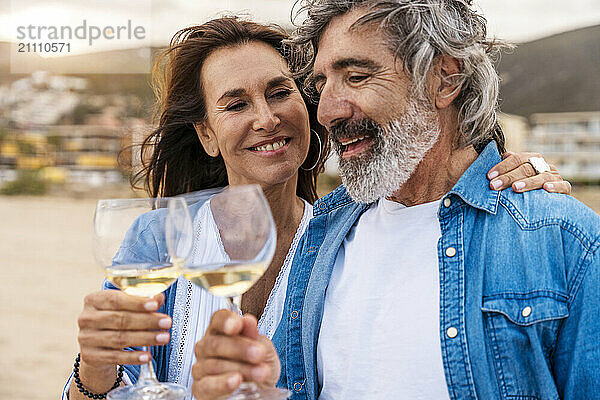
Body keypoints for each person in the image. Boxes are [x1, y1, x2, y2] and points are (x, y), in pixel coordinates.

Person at [64, 15, 568, 400]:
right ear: (207, 136)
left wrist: (505, 172)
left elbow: (429, 182)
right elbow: (108, 385)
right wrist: (93, 370)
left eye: (280, 92)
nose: (266, 118)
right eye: (236, 104)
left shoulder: (346, 231)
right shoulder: (159, 238)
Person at [191, 2, 599, 400]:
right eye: (321, 85)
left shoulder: (562, 240)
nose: (327, 112)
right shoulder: (319, 236)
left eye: (355, 77)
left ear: (443, 79)